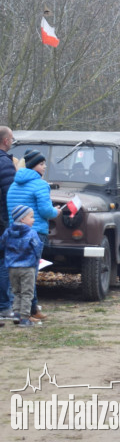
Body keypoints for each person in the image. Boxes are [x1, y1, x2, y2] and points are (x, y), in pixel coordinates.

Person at [7, 149, 59, 322]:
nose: (44, 167)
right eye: (41, 163)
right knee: (31, 272)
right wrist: (56, 212)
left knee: (19, 273)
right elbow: (45, 210)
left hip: (14, 232)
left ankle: (28, 309)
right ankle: (28, 312)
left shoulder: (14, 184)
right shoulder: (40, 184)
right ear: (33, 166)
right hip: (35, 231)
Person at [0, 206, 43, 327]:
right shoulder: (31, 233)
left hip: (12, 267)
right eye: (31, 217)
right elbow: (37, 249)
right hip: (27, 267)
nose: (33, 219)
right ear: (23, 219)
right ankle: (24, 318)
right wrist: (36, 261)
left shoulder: (8, 232)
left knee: (16, 292)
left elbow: (1, 245)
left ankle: (17, 315)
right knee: (27, 293)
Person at [0, 126, 17, 320]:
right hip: (2, 221)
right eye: (12, 138)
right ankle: (4, 307)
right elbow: (9, 195)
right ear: (5, 141)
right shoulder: (5, 163)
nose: (12, 141)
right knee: (4, 263)